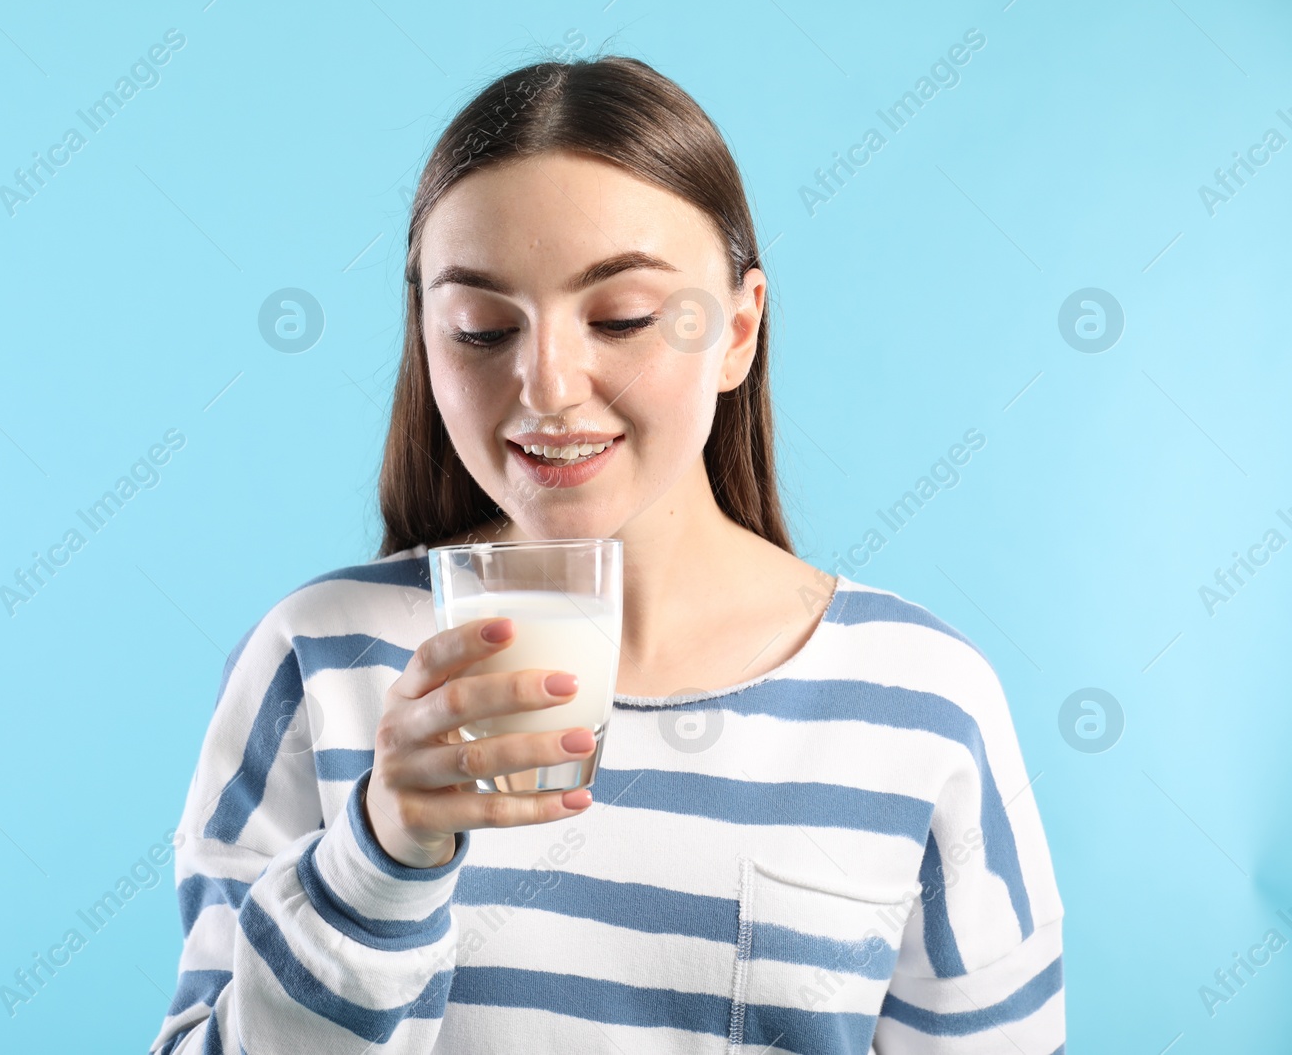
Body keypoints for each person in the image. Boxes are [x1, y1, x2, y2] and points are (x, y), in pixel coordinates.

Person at [150, 54, 1063, 1054]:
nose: (545, 385)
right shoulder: (318, 661)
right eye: (481, 327)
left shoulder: (921, 697)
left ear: (738, 330)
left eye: (621, 318)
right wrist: (379, 853)